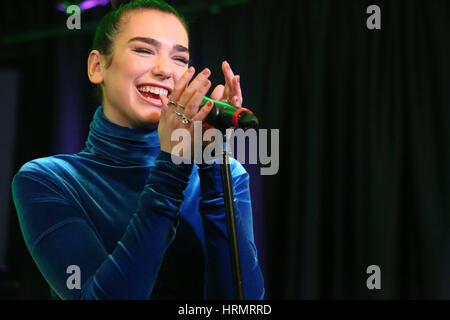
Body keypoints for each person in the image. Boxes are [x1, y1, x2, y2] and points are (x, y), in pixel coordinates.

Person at [11, 0, 264, 299]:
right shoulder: (47, 180)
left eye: (180, 59)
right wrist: (172, 166)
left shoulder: (227, 172)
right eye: (144, 50)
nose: (164, 70)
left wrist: (210, 162)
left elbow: (242, 301)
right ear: (97, 66)